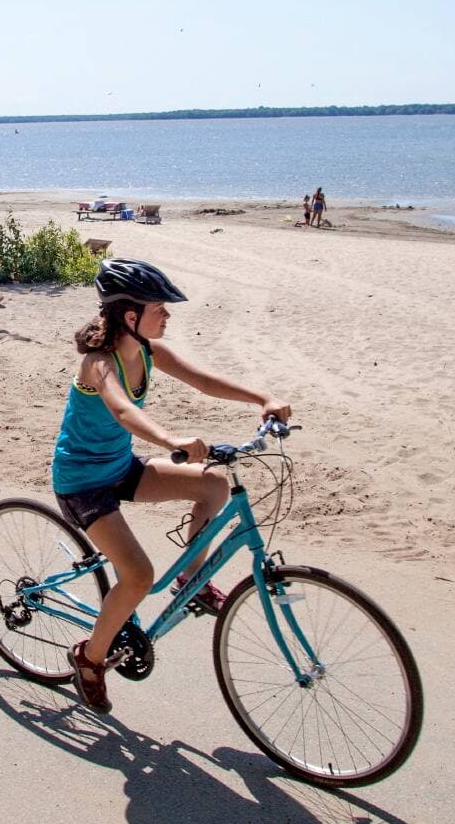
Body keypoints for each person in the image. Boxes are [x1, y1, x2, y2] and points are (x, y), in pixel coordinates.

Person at [53, 259, 292, 714]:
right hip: (82, 483)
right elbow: (123, 411)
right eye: (160, 308)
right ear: (130, 315)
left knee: (214, 486)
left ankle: (192, 579)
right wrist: (170, 440)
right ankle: (89, 659)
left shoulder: (146, 351)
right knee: (138, 576)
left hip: (120, 467)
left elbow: (202, 380)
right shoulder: (98, 364)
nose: (167, 316)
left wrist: (262, 398)